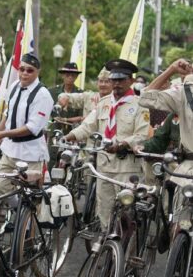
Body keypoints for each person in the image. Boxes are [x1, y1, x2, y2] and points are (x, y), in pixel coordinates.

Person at [64, 59, 150, 228]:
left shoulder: (140, 105)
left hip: (127, 168)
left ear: (131, 81)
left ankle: (125, 249)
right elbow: (88, 126)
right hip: (103, 166)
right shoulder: (104, 103)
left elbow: (142, 135)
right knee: (104, 211)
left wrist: (123, 144)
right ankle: (107, 246)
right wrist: (70, 136)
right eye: (114, 79)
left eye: (121, 80)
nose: (116, 84)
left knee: (127, 213)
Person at [0, 53, 54, 229]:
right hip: (10, 149)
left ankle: (29, 234)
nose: (24, 73)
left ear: (37, 72)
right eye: (22, 69)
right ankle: (19, 211)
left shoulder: (43, 95)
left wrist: (2, 135)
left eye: (30, 70)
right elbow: (7, 114)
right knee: (0, 185)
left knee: (32, 195)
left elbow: (32, 128)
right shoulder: (14, 86)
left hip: (31, 153)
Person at [139, 59, 193, 228]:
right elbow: (146, 98)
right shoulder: (185, 92)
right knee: (178, 227)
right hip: (188, 170)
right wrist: (171, 70)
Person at [49, 62, 83, 133]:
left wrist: (65, 120)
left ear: (76, 76)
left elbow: (82, 117)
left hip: (73, 132)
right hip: (54, 130)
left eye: (73, 75)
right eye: (67, 75)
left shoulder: (81, 94)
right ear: (62, 75)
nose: (70, 77)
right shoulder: (52, 92)